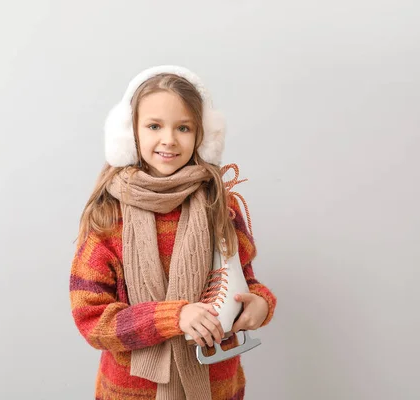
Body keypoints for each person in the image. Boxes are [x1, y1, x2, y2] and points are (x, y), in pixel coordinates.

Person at [69, 65, 277, 400]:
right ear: (130, 134)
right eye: (154, 126)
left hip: (216, 386)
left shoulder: (220, 208)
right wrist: (173, 317)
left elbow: (245, 281)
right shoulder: (109, 216)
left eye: (183, 127)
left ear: (202, 136)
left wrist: (260, 305)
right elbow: (91, 317)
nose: (169, 139)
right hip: (132, 392)